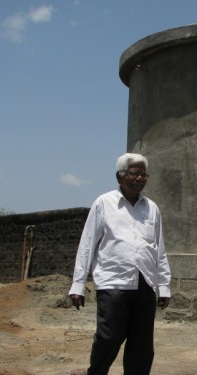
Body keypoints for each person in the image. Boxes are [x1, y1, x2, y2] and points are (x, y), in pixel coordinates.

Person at [69, 153, 171, 375]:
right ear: (120, 176)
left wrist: (163, 285)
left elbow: (158, 249)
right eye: (134, 173)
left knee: (141, 345)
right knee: (108, 338)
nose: (140, 178)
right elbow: (87, 245)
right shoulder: (103, 204)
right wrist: (78, 284)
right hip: (113, 283)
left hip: (145, 283)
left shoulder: (151, 208)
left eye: (144, 174)